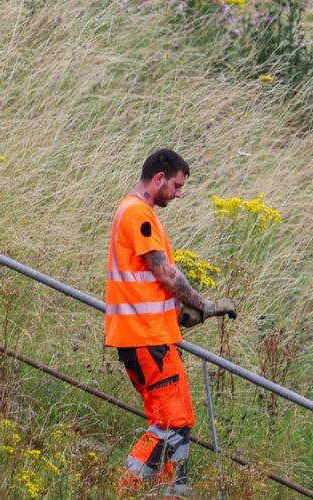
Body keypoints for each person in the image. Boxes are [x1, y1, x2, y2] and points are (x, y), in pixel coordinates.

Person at [105, 148, 236, 497]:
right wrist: (204, 305)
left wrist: (179, 316)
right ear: (159, 178)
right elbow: (164, 272)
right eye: (177, 185)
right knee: (171, 422)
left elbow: (142, 286)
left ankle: (171, 491)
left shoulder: (137, 213)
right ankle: (125, 490)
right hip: (146, 339)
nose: (179, 193)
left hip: (150, 334)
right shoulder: (137, 213)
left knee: (178, 420)